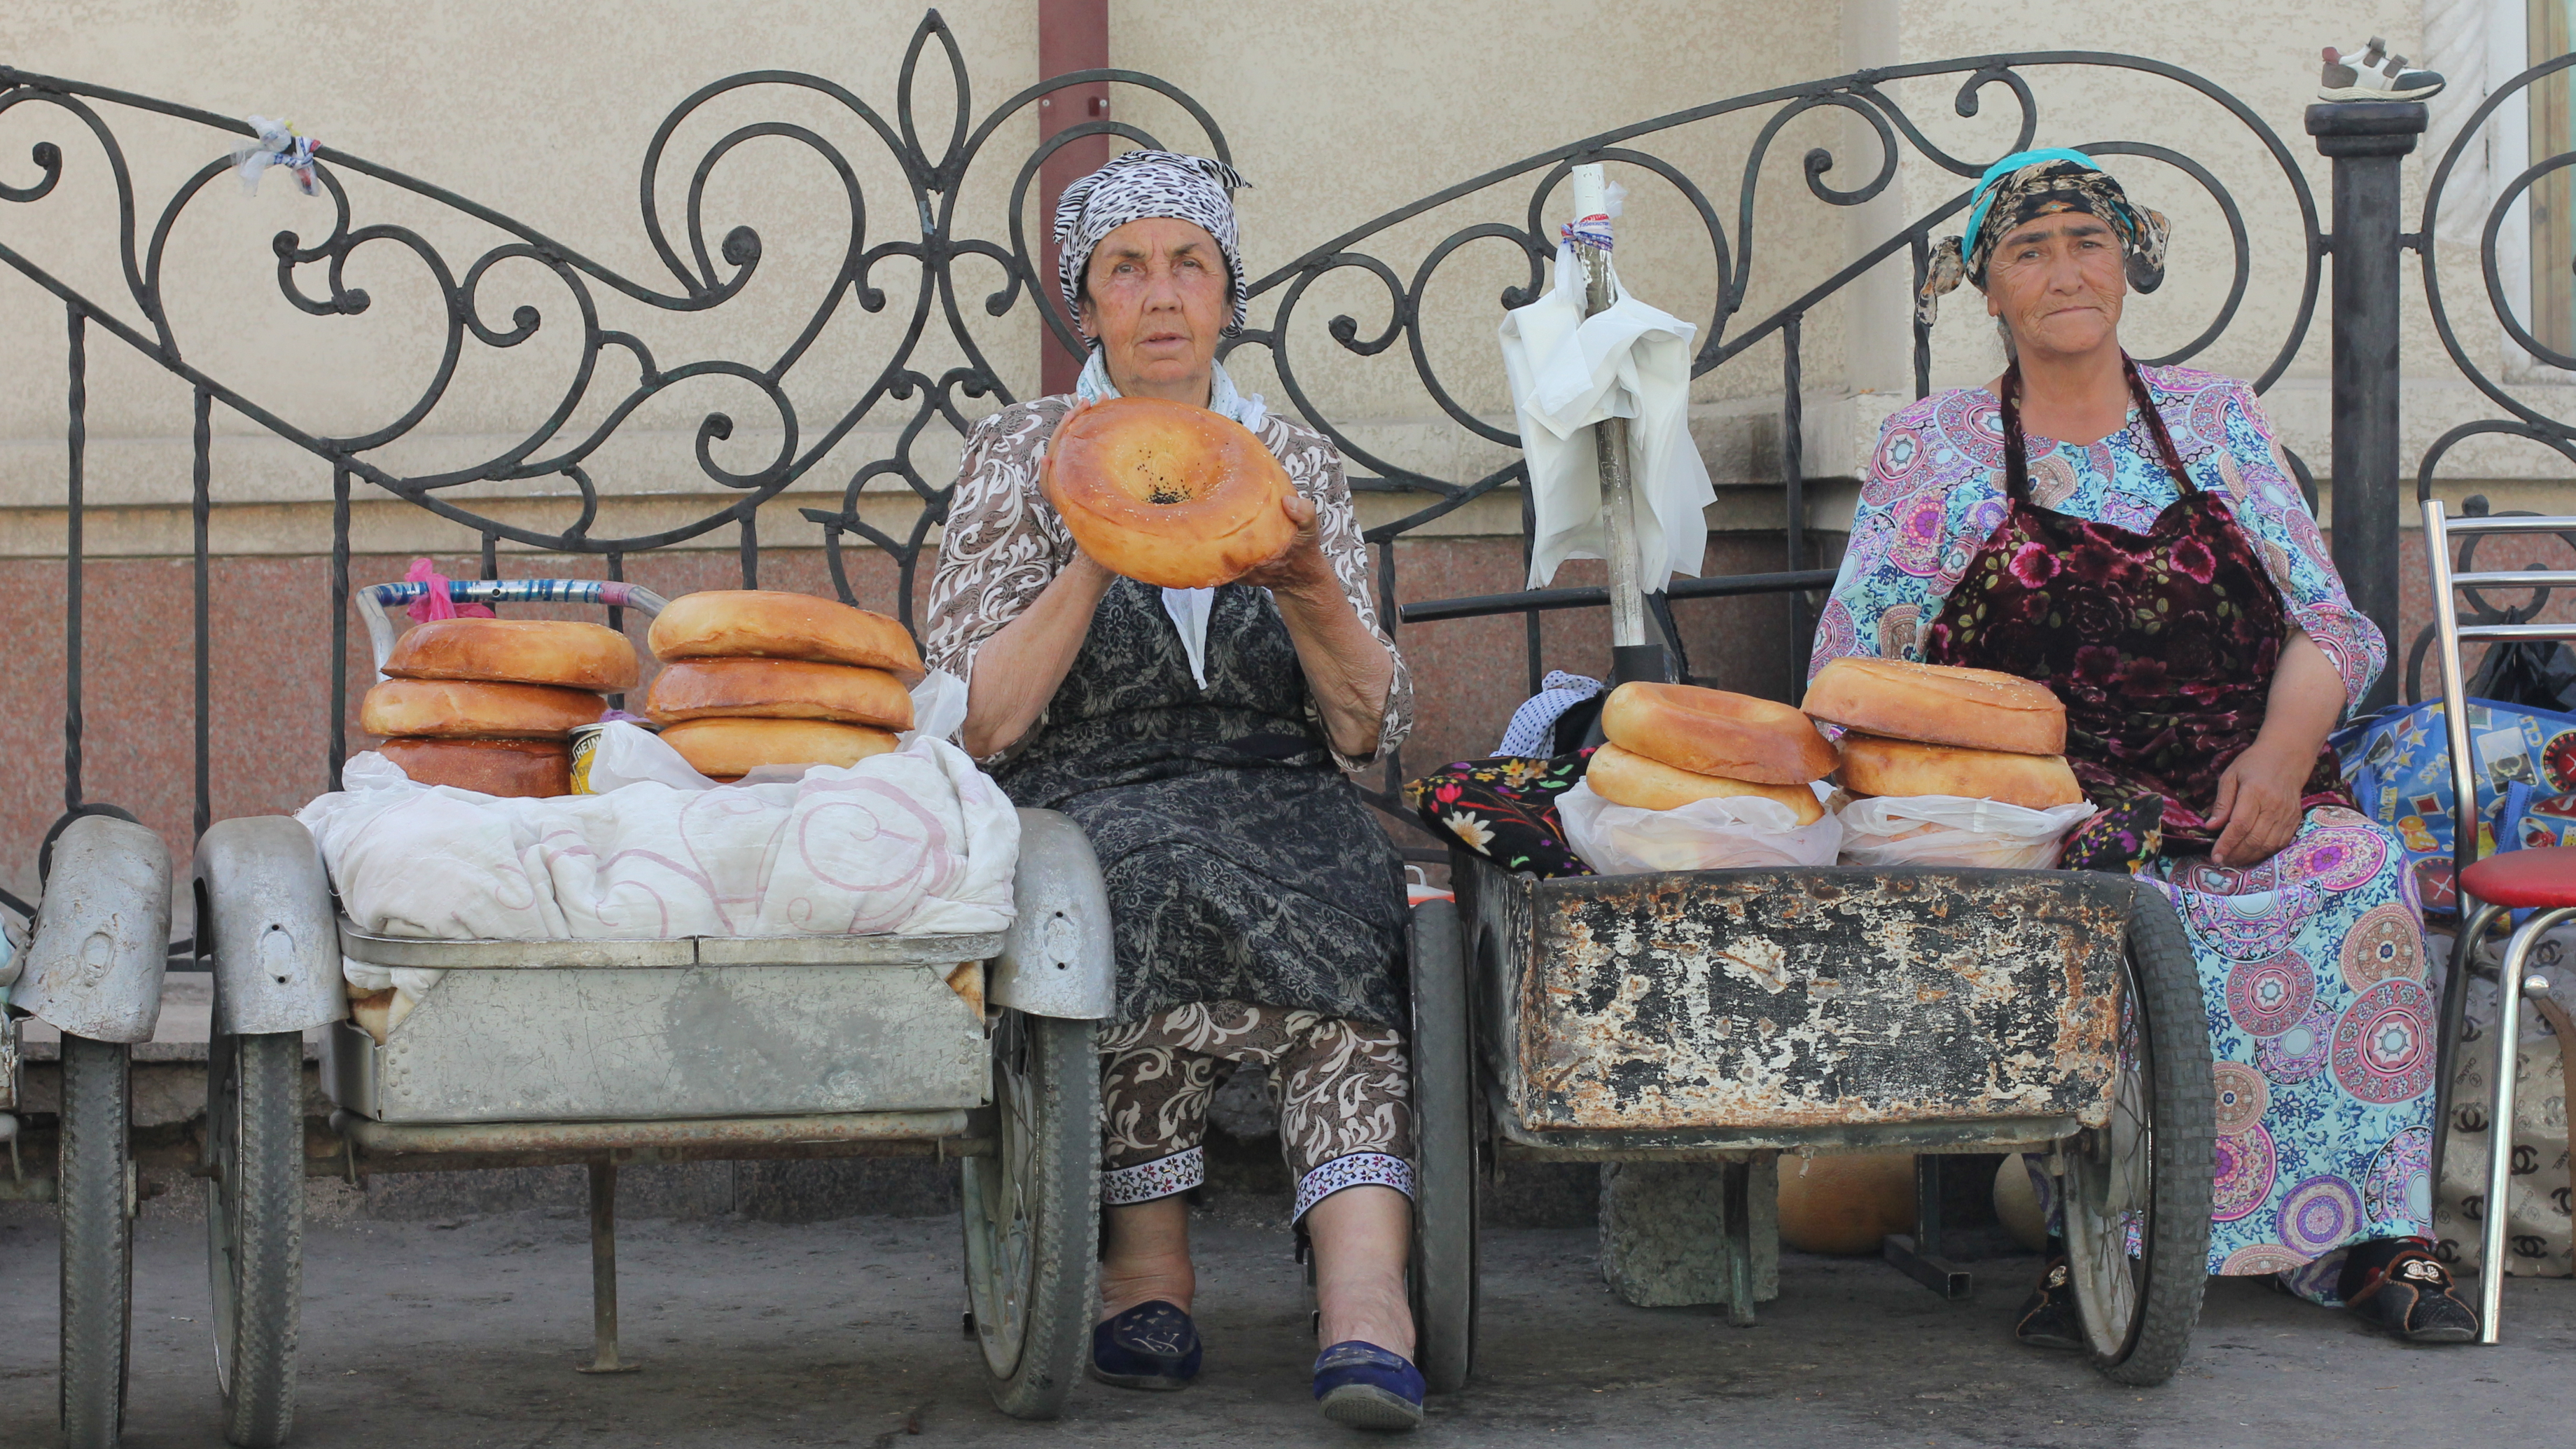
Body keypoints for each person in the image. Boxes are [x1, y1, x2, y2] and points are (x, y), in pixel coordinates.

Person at [1817, 148, 2479, 1343]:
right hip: (2061, 796)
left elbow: (2330, 621)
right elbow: (1850, 671)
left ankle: (2374, 1238)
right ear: (1987, 287)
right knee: (2121, 908)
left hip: (2244, 771)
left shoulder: (2217, 417)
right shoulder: (1939, 447)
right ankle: (2107, 1241)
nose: (2067, 270)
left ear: (2128, 263)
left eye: (2089, 241)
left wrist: (2281, 761)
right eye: (2031, 249)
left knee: (2362, 870)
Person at [922, 149, 1427, 1429]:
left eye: (1188, 265)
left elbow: (1365, 724)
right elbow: (977, 721)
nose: (1160, 295)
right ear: (1084, 308)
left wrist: (1308, 581)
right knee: (1120, 884)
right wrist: (1098, 545)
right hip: (1090, 789)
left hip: (1280, 788)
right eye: (1125, 270)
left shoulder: (1290, 460)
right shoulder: (1022, 452)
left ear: (1227, 296)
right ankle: (1147, 1267)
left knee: (1363, 899)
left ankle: (1368, 1295)